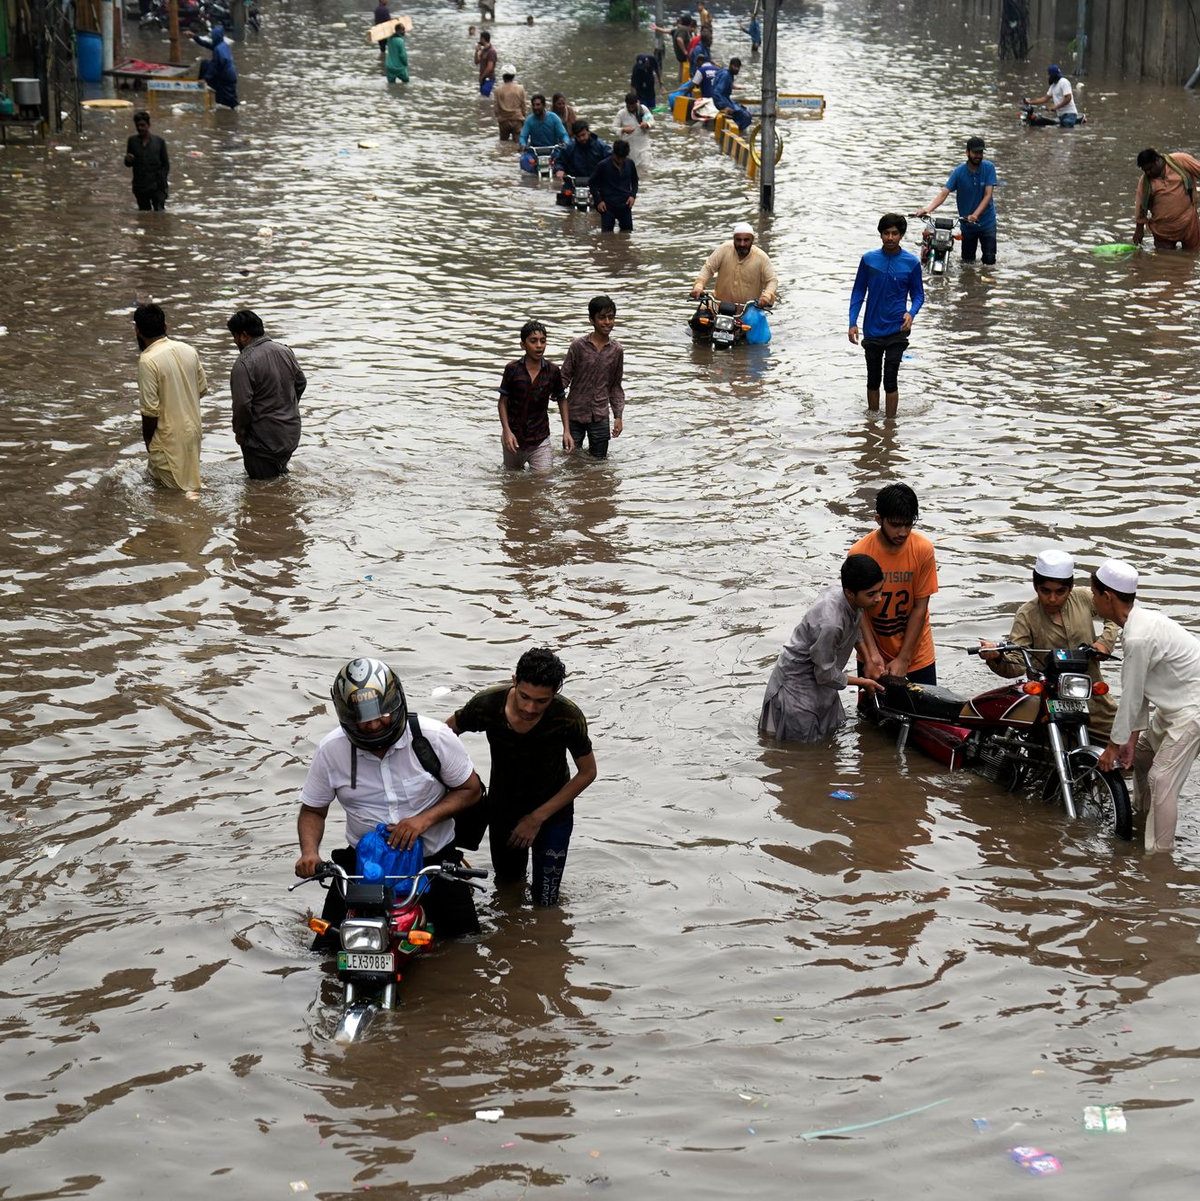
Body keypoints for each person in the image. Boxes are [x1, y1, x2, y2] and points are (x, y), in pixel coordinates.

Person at [295, 658, 484, 948]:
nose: (372, 724)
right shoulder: (331, 751)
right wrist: (309, 853)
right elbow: (313, 810)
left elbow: (470, 789)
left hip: (433, 863)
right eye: (361, 718)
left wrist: (424, 820)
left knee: (466, 947)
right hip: (363, 866)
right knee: (325, 953)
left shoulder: (433, 737)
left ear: (396, 703)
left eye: (381, 713)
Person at [446, 648, 596, 906]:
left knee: (546, 900)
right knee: (507, 892)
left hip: (553, 815)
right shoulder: (487, 705)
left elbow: (588, 772)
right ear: (514, 680)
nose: (529, 707)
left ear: (556, 691)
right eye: (524, 697)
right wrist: (464, 777)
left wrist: (536, 818)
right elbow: (443, 736)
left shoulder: (567, 716)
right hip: (504, 812)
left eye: (541, 701)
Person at [1092, 561, 1200, 853]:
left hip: (1193, 710)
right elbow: (1139, 691)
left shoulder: (1138, 636)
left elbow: (1129, 696)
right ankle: (1143, 822)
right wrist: (1131, 738)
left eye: (1093, 595)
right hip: (1174, 707)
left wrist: (1113, 746)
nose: (1092, 602)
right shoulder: (1139, 624)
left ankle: (1159, 857)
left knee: (1161, 778)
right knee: (1142, 758)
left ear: (1107, 597)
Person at [978, 549, 1119, 739]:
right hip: (1050, 705)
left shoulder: (1084, 598)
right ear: (1035, 586)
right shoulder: (1026, 615)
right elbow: (1016, 665)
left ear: (1071, 587)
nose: (1052, 599)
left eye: (1060, 592)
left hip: (1092, 699)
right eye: (1046, 591)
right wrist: (996, 657)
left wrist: (1104, 642)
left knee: (1123, 749)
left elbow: (1115, 613)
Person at [760, 554, 886, 741]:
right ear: (850, 592)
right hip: (798, 686)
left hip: (822, 680)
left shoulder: (851, 598)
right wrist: (864, 682)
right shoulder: (831, 622)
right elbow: (825, 674)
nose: (879, 599)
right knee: (803, 754)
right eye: (871, 594)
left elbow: (855, 625)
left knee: (828, 741)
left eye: (880, 591)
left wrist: (868, 660)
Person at [847, 483, 939, 685]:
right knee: (872, 714)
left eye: (908, 524)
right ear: (879, 519)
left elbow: (920, 607)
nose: (903, 532)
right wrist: (871, 654)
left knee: (926, 714)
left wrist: (904, 658)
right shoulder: (860, 553)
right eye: (896, 525)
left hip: (917, 654)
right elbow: (858, 609)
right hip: (873, 655)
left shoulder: (923, 549)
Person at [847, 213, 924, 420]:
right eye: (886, 233)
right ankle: (872, 422)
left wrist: (912, 312)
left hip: (897, 329)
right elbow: (858, 292)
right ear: (880, 235)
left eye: (895, 234)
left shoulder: (911, 263)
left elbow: (918, 295)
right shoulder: (869, 260)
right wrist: (852, 322)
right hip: (872, 328)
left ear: (901, 235)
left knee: (890, 378)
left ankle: (891, 425)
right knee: (873, 379)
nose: (890, 238)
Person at [133, 303, 208, 494]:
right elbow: (201, 389)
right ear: (165, 326)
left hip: (167, 439)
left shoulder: (148, 360)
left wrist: (150, 444)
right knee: (165, 487)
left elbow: (150, 411)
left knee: (183, 495)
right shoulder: (188, 350)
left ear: (137, 330)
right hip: (192, 433)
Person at [226, 309, 307, 479]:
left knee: (259, 491)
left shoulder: (243, 364)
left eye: (234, 336)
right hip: (289, 435)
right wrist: (287, 407)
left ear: (243, 336)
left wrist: (240, 433)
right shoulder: (285, 351)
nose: (234, 341)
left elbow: (242, 406)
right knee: (279, 483)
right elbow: (301, 382)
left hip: (261, 442)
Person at [498, 320, 572, 470]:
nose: (539, 345)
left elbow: (561, 399)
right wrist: (506, 431)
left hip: (540, 438)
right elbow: (502, 402)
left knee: (544, 479)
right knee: (512, 479)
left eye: (543, 341)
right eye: (533, 341)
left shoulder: (552, 371)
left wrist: (566, 431)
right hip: (514, 437)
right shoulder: (512, 369)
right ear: (523, 345)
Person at [914, 136, 998, 265]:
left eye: (980, 153)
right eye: (975, 153)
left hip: (987, 222)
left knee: (989, 259)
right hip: (967, 224)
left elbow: (988, 195)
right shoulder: (959, 172)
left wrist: (975, 215)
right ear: (967, 152)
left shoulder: (989, 168)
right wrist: (928, 209)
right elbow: (944, 193)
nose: (978, 156)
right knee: (967, 262)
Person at [561, 295, 625, 459]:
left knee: (599, 463)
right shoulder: (578, 346)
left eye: (611, 317)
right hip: (574, 413)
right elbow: (564, 377)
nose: (607, 322)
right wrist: (550, 393)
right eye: (602, 317)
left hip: (600, 415)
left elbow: (615, 386)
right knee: (570, 460)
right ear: (592, 320)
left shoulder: (616, 350)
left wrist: (618, 416)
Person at [690, 221, 778, 308]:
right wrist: (699, 286)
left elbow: (772, 280)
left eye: (746, 240)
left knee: (756, 321)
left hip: (748, 310)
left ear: (752, 240)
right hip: (718, 306)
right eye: (738, 240)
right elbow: (708, 268)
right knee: (698, 320)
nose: (742, 244)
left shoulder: (761, 258)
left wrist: (767, 295)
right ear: (734, 239)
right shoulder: (724, 249)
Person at [1132, 148, 1200, 251]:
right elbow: (1141, 206)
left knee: (1193, 255)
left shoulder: (1180, 161)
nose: (1148, 172)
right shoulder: (1145, 182)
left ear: (1157, 160)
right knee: (1165, 261)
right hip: (1163, 230)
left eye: (1150, 169)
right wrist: (1139, 230)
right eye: (1145, 170)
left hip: (1188, 223)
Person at [123, 110, 170, 212]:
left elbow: (166, 165)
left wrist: (161, 180)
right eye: (138, 126)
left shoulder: (159, 142)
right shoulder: (132, 141)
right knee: (144, 212)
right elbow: (128, 163)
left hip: (157, 186)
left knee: (159, 212)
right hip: (140, 186)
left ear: (148, 125)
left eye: (142, 125)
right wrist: (127, 160)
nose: (140, 128)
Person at [590, 139, 638, 232]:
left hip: (625, 205)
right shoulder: (603, 165)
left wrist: (633, 196)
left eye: (623, 158)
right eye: (618, 157)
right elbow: (592, 183)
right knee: (607, 235)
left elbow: (635, 181)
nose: (620, 160)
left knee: (627, 233)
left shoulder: (630, 163)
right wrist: (599, 201)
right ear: (613, 153)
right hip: (608, 206)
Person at [192, 25, 238, 108]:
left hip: (224, 78)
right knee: (231, 100)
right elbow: (206, 44)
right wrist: (194, 37)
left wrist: (205, 79)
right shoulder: (223, 45)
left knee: (223, 104)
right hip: (231, 76)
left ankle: (204, 84)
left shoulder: (218, 50)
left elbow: (214, 65)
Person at [711, 57, 751, 131]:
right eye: (735, 66)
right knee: (746, 116)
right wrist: (723, 107)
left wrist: (738, 88)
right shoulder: (726, 75)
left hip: (726, 100)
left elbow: (726, 85)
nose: (736, 69)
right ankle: (735, 130)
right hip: (723, 102)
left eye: (738, 67)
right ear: (730, 65)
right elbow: (717, 92)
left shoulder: (727, 73)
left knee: (743, 109)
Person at [493, 65, 526, 140]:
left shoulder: (497, 90)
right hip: (517, 120)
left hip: (504, 121)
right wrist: (523, 117)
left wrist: (499, 118)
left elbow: (496, 108)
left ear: (503, 76)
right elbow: (523, 106)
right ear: (513, 76)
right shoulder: (520, 88)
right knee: (517, 143)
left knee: (503, 142)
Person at [475, 30, 497, 96]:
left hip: (488, 79)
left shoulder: (491, 51)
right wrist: (476, 51)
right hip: (483, 79)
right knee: (483, 98)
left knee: (485, 97)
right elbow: (476, 62)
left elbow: (490, 68)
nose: (479, 40)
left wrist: (481, 77)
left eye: (480, 38)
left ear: (483, 39)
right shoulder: (484, 50)